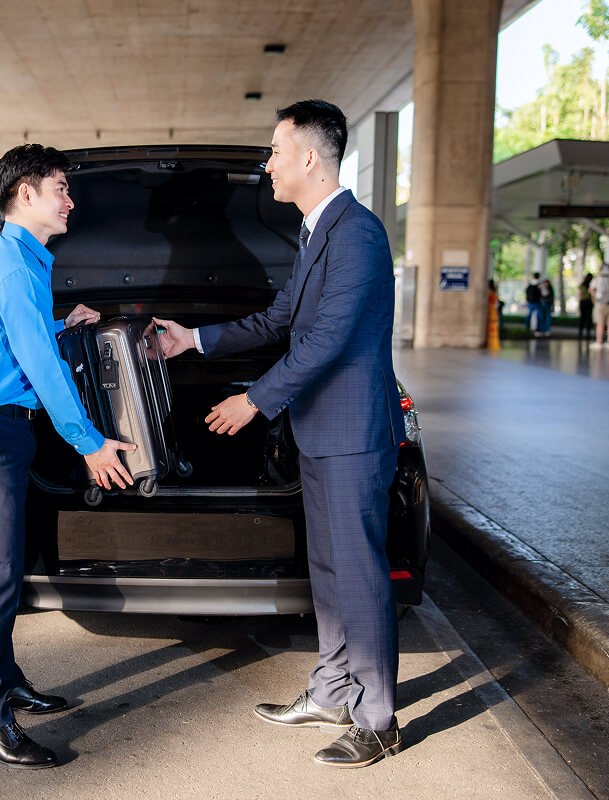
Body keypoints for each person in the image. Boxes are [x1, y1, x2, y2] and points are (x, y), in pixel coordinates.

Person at [155, 99, 405, 769]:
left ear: (308, 159)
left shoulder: (357, 233)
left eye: (273, 151)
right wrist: (193, 338)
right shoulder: (318, 231)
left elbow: (325, 341)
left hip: (352, 434)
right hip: (320, 432)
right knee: (327, 572)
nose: (266, 165)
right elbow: (278, 320)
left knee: (360, 575)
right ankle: (330, 690)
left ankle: (377, 718)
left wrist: (254, 402)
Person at [0, 144, 137, 769]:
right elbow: (40, 367)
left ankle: (4, 683)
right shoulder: (16, 267)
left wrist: (60, 322)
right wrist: (89, 442)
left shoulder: (17, 260)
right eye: (60, 188)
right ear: (27, 194)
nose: (69, 201)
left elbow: (12, 338)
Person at [577, 273, 594, 340]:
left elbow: (579, 295)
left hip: (583, 302)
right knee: (588, 318)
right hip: (589, 302)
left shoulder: (582, 285)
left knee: (582, 318)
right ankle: (587, 335)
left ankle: (580, 334)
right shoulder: (590, 285)